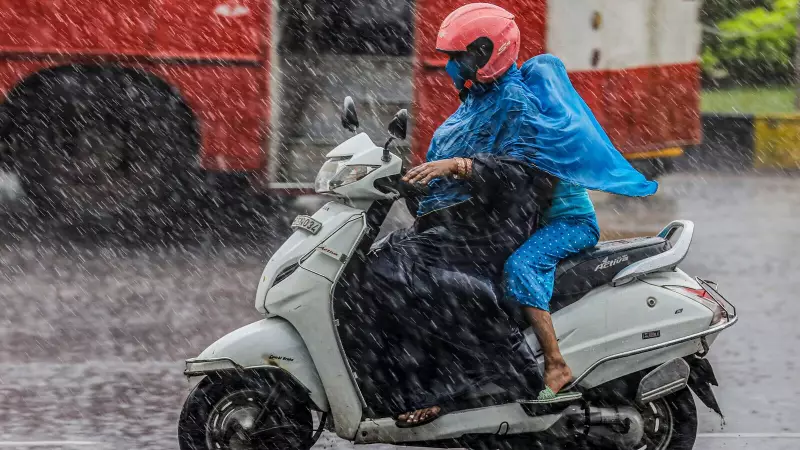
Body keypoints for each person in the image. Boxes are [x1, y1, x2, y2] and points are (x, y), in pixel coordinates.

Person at [333, 3, 553, 428]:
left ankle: (467, 380)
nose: (452, 66)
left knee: (398, 276)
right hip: (452, 228)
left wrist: (459, 167)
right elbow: (443, 176)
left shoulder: (517, 103)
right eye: (451, 57)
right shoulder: (473, 102)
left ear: (491, 51)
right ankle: (393, 383)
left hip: (490, 233)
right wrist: (410, 183)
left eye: (460, 57)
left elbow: (524, 176)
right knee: (361, 277)